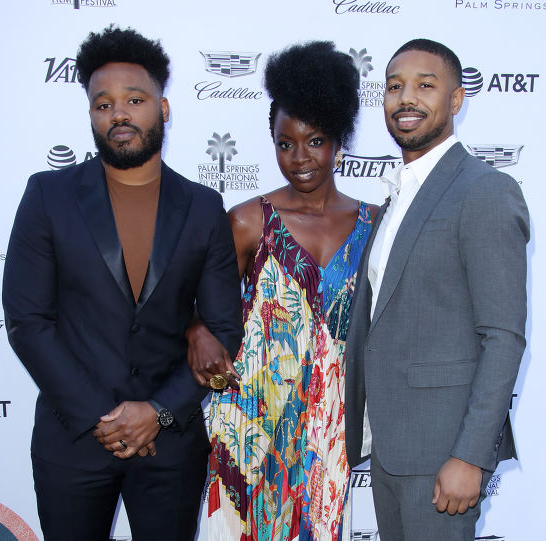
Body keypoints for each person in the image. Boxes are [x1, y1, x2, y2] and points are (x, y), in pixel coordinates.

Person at [2, 26, 242, 541]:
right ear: (90, 113)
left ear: (164, 107)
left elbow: (223, 325)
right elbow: (26, 321)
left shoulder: (202, 206)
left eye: (134, 100)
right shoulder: (48, 195)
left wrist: (156, 412)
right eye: (102, 104)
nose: (119, 115)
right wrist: (102, 418)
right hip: (73, 438)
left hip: (171, 442)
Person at [186, 41, 379, 540]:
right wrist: (195, 329)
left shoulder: (374, 224)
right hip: (251, 416)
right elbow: (190, 300)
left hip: (329, 423)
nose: (299, 159)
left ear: (338, 140)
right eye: (285, 142)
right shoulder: (250, 221)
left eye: (314, 141)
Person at [344, 38, 529, 541]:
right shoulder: (395, 199)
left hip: (443, 455)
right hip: (389, 448)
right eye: (395, 86)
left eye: (426, 86)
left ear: (456, 99)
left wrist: (469, 455)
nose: (408, 98)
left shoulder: (485, 190)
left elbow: (503, 337)